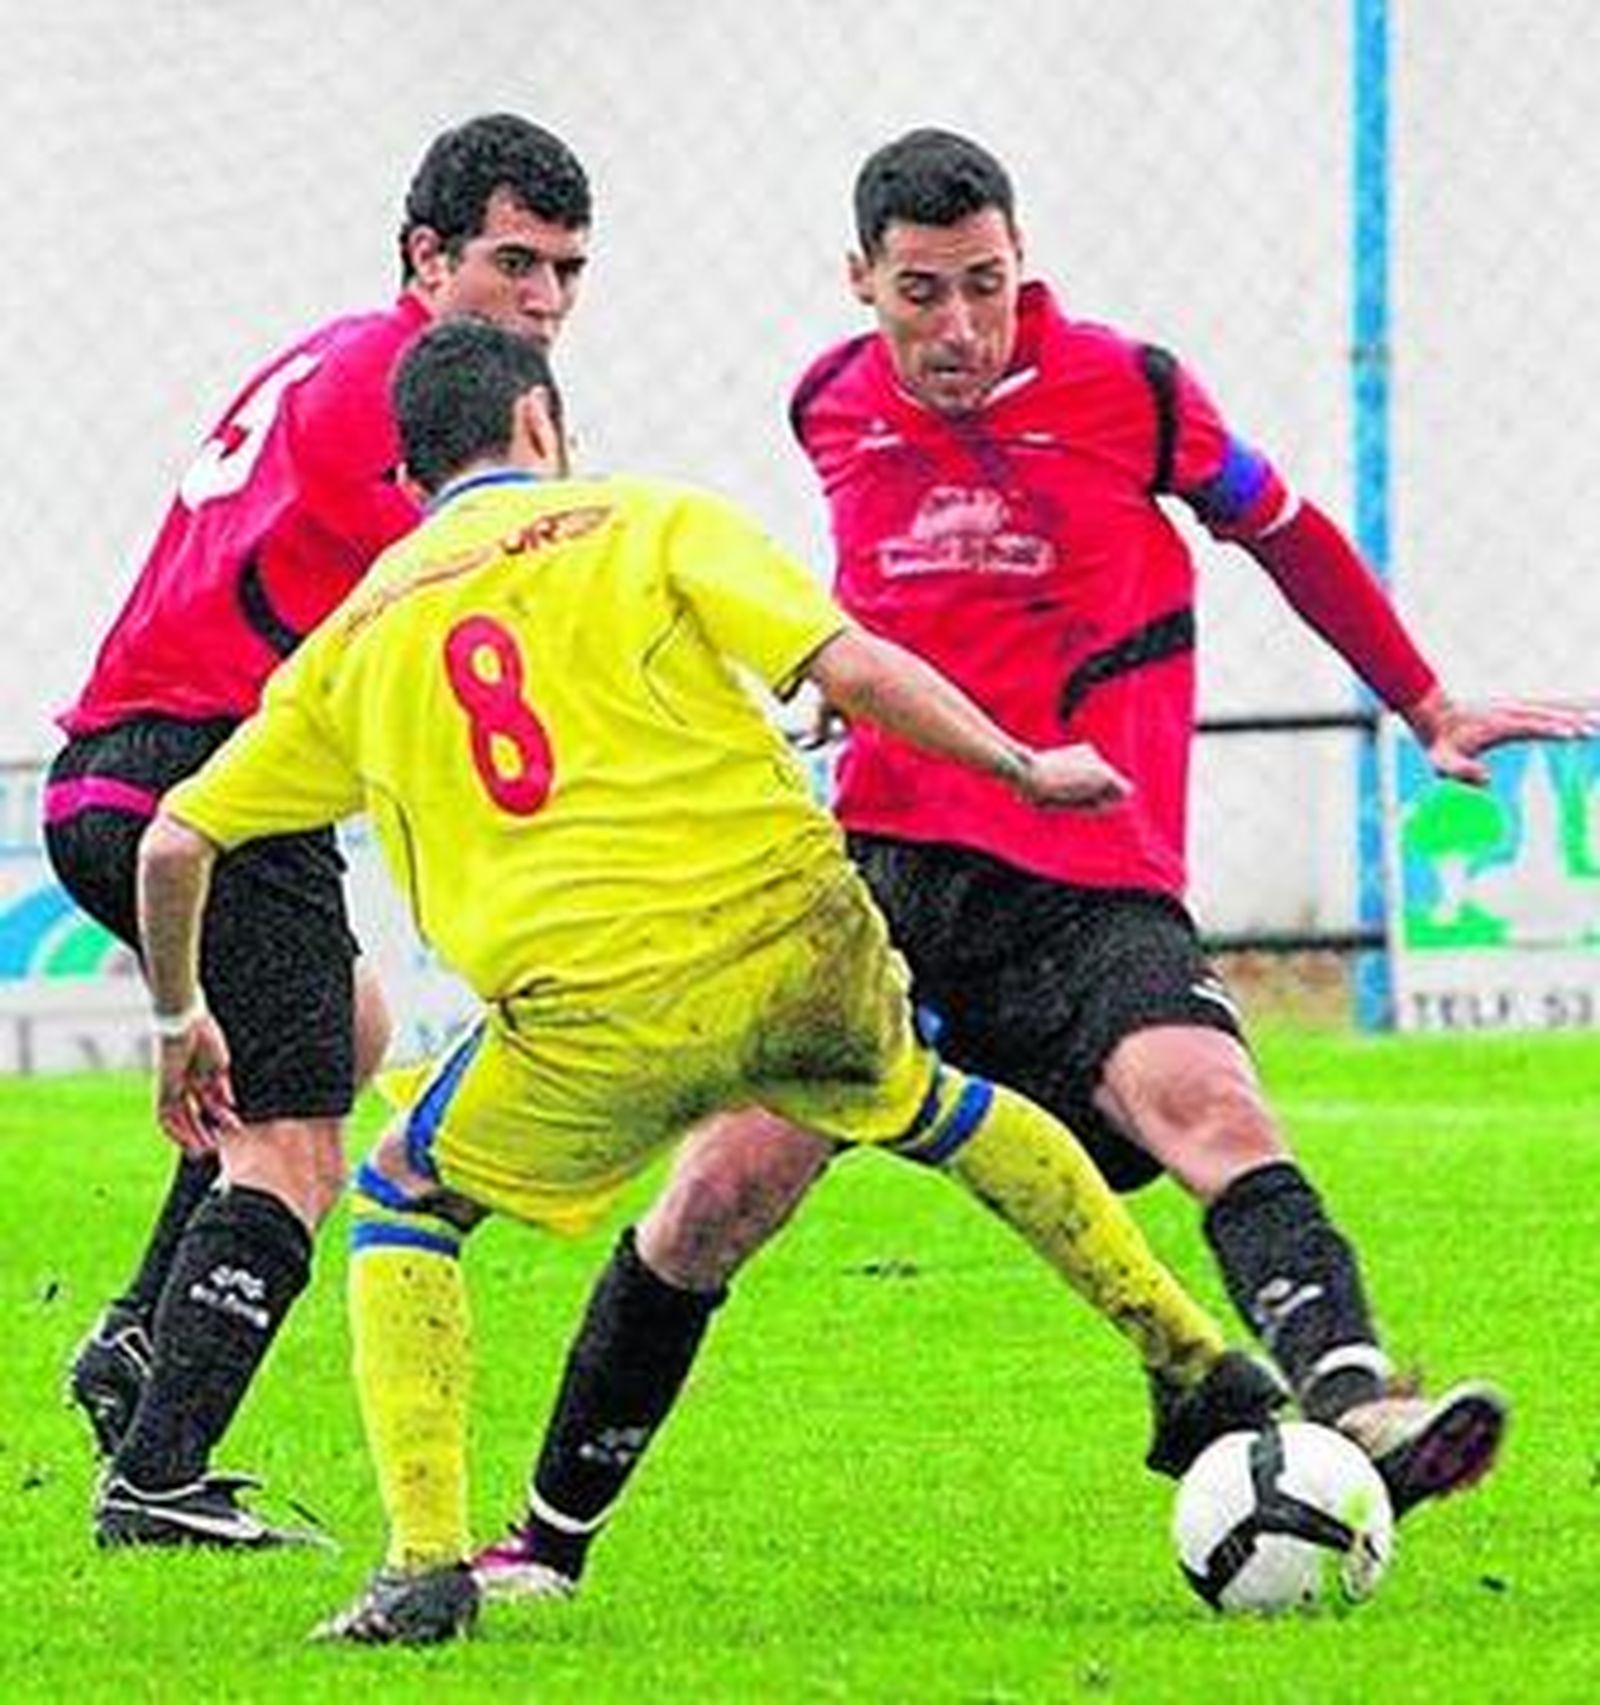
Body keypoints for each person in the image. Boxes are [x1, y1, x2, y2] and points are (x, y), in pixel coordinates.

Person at [468, 126, 1600, 1603]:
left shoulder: (1133, 390)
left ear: (1023, 267)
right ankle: (543, 1548)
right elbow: (871, 581)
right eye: (923, 293)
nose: (958, 328)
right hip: (883, 882)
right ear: (861, 281)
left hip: (1086, 870)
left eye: (987, 287)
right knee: (720, 1190)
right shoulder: (825, 405)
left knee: (1209, 1103)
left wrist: (1425, 700)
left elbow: (1289, 530)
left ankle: (1355, 1402)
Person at [137, 315, 1276, 1646]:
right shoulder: (650, 516)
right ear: (540, 428)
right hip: (798, 935)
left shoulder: (356, 636)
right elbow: (846, 664)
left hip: (590, 1012)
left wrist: (180, 1020)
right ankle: (1193, 1357)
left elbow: (176, 839)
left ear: (407, 483)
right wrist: (1023, 764)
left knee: (402, 1194)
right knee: (931, 1102)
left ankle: (424, 1566)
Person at [44, 113, 593, 1547]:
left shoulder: (335, 358)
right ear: (428, 256)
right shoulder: (411, 395)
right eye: (514, 264)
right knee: (298, 1135)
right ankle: (158, 1479)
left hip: (114, 773)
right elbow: (475, 610)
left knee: (331, 1032)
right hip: (205, 779)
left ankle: (136, 1343)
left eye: (567, 275)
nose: (543, 303)